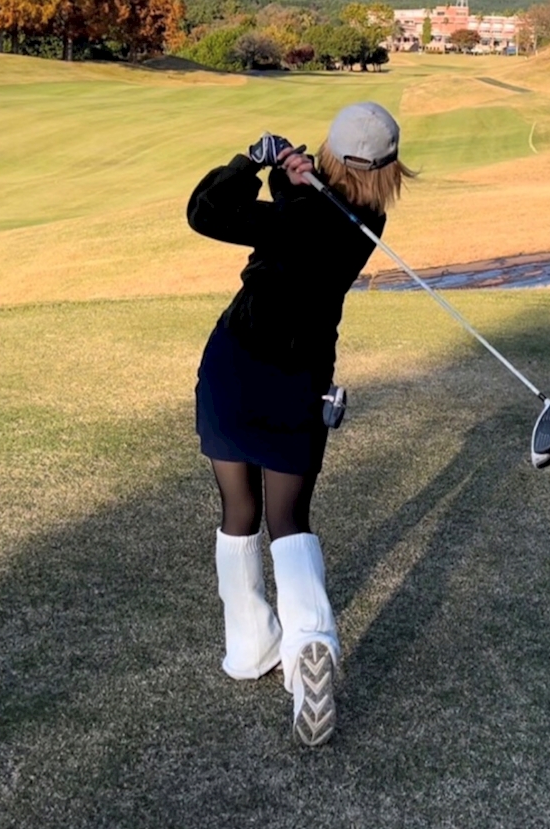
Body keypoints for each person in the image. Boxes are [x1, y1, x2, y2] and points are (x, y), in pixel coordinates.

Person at [186, 102, 414, 747]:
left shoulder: (298, 216)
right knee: (289, 519)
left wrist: (254, 161)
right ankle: (309, 637)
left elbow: (205, 212)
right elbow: (309, 217)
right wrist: (295, 179)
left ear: (333, 153)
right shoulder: (367, 218)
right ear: (389, 166)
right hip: (299, 380)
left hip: (233, 367)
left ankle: (250, 648)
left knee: (239, 512)